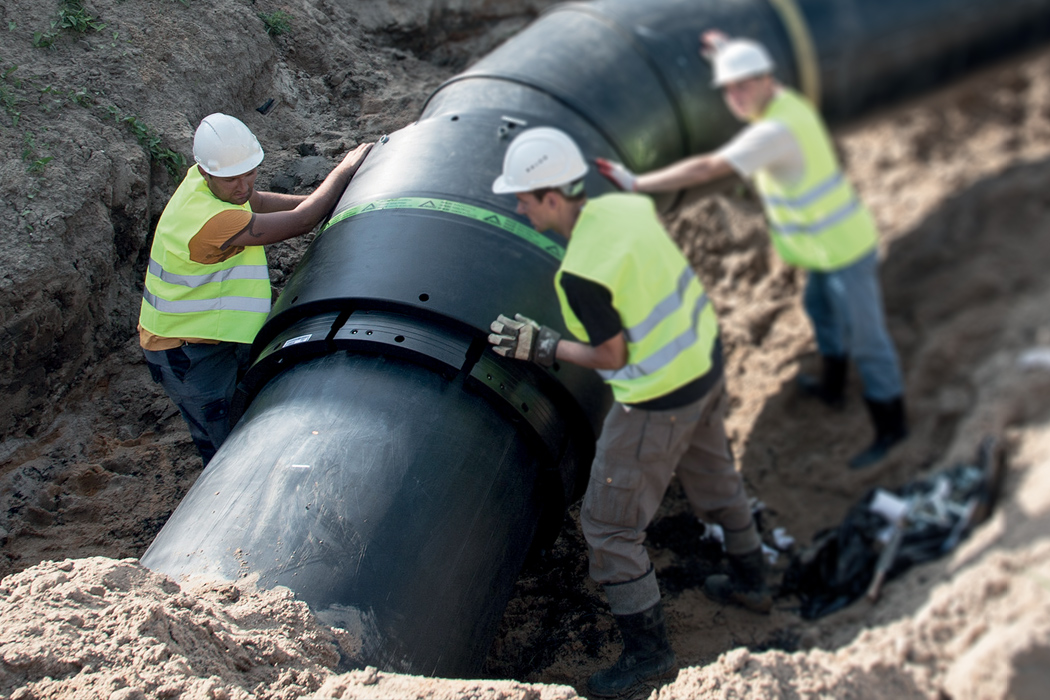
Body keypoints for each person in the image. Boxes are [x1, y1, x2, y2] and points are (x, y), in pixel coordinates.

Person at [488, 127, 769, 698]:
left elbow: (609, 355)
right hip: (704, 364)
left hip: (658, 400)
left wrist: (540, 345)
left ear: (551, 196)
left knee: (610, 526)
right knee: (715, 479)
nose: (516, 206)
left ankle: (649, 656)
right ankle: (753, 580)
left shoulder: (582, 272)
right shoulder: (623, 207)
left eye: (522, 196)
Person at [596, 32, 908, 470]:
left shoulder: (775, 131)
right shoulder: (784, 99)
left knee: (868, 338)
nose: (736, 97)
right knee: (820, 310)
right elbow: (749, 74)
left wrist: (637, 183)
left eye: (744, 85)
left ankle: (892, 430)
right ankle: (834, 389)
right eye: (728, 89)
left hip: (844, 250)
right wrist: (725, 52)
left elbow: (708, 167)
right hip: (820, 250)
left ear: (766, 80)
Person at [139, 113, 372, 465]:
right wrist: (344, 172)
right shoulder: (210, 219)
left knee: (249, 406)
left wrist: (321, 201)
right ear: (205, 172)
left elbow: (258, 202)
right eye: (232, 179)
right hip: (185, 352)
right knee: (223, 443)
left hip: (218, 334)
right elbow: (302, 222)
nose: (243, 187)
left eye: (250, 173)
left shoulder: (210, 186)